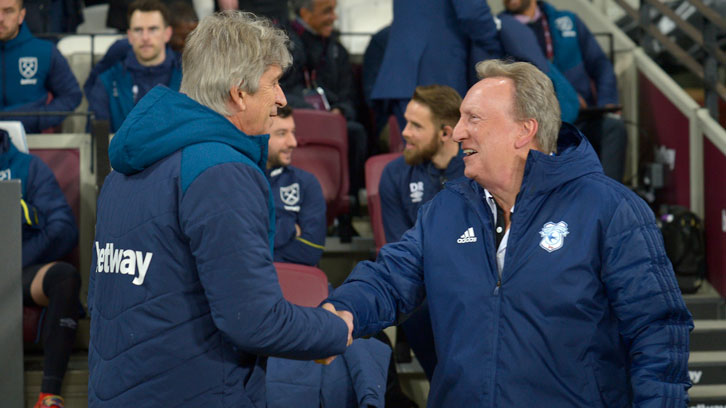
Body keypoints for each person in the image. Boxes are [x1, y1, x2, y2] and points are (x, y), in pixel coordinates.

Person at [325, 59, 693, 406]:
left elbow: (658, 334)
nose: (459, 132)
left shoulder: (611, 211)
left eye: (473, 119)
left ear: (524, 130)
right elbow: (389, 279)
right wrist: (341, 311)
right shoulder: (445, 210)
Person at [88, 11, 352, 406]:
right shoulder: (221, 171)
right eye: (274, 83)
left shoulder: (123, 170)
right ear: (238, 93)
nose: (282, 98)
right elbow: (254, 321)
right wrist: (332, 329)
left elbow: (101, 302)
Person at [377, 84, 463, 379]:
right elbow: (400, 248)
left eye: (416, 126)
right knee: (418, 309)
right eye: (405, 122)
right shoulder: (394, 175)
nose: (404, 132)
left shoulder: (475, 171)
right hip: (425, 288)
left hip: (470, 286)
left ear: (446, 133)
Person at [502, 0, 627, 181]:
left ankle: (609, 198)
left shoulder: (567, 21)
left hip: (584, 115)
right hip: (541, 123)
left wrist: (607, 101)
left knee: (614, 128)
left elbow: (600, 64)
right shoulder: (502, 30)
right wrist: (563, 99)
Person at [1, 129, 81, 408]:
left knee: (64, 277)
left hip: (20, 270)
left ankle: (49, 394)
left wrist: (10, 262)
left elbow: (63, 229)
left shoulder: (28, 167)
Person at [281, 0, 368, 201]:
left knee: (356, 132)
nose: (334, 17)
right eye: (327, 11)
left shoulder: (337, 50)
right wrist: (316, 116)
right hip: (297, 120)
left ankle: (348, 203)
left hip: (333, 121)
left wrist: (341, 111)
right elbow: (280, 92)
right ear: (305, 12)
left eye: (334, 10)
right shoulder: (284, 45)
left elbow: (349, 97)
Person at [369, 0, 501, 129]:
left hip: (404, 74)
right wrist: (497, 46)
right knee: (447, 147)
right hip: (434, 74)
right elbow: (473, 13)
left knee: (418, 147)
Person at [87, 0, 182, 133]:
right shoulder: (107, 81)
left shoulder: (188, 77)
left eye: (153, 29)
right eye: (138, 30)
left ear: (167, 34)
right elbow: (96, 143)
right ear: (130, 36)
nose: (145, 37)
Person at [0, 0, 81, 133]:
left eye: (8, 11)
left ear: (21, 15)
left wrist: (37, 119)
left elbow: (72, 95)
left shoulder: (44, 52)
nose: (0, 18)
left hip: (30, 143)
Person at [267, 105, 326, 266]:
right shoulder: (240, 181)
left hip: (297, 283)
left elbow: (311, 252)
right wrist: (289, 227)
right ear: (260, 135)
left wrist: (262, 245)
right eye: (281, 134)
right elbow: (233, 248)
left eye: (292, 132)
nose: (293, 142)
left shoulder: (306, 183)